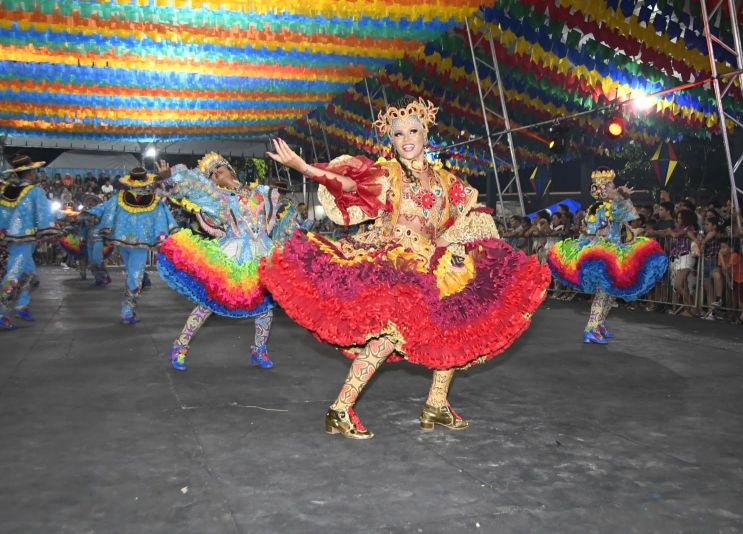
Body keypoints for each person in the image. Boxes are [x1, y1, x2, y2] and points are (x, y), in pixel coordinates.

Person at [262, 97, 551, 439]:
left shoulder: (447, 180)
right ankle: (340, 408)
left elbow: (470, 215)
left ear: (426, 133)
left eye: (413, 130)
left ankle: (435, 404)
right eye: (398, 134)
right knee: (386, 339)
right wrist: (305, 168)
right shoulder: (389, 174)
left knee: (454, 332)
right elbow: (351, 186)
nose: (407, 138)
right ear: (391, 139)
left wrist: (458, 246)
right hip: (395, 265)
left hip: (434, 266)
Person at [155, 154, 300, 371]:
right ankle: (180, 346)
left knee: (265, 307)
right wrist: (169, 179)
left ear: (230, 169)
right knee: (207, 304)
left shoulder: (261, 192)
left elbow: (282, 214)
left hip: (262, 253)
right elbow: (191, 190)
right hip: (233, 255)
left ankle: (259, 350)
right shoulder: (220, 200)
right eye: (212, 174)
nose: (216, 175)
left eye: (218, 170)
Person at [548, 167, 668, 343]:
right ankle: (591, 328)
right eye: (611, 186)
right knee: (603, 292)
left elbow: (626, 218)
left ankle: (599, 325)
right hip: (601, 255)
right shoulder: (597, 208)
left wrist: (626, 210)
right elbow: (592, 231)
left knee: (611, 293)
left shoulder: (612, 205)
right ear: (602, 189)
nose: (614, 188)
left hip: (614, 250)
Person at [89, 167, 177, 324]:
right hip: (140, 244)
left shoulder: (120, 197)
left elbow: (102, 208)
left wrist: (87, 213)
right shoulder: (154, 201)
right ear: (145, 182)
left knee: (132, 272)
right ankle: (127, 310)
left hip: (123, 241)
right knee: (135, 274)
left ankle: (128, 308)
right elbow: (167, 217)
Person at [0, 153, 62, 330]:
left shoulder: (7, 191)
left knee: (31, 277)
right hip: (24, 240)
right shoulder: (35, 191)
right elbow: (45, 213)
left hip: (11, 238)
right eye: (34, 171)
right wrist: (60, 219)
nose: (36, 174)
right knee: (13, 275)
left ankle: (21, 305)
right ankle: (1, 313)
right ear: (28, 173)